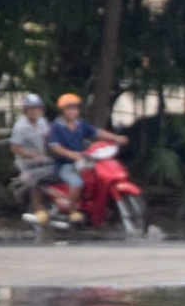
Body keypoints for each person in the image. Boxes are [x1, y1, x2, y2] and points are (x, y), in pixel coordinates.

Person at [45, 93, 125, 225]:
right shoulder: (56, 126)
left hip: (82, 162)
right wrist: (71, 154)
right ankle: (72, 212)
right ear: (63, 110)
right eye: (68, 108)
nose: (72, 111)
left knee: (97, 179)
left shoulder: (80, 124)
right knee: (77, 183)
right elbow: (54, 146)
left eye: (74, 108)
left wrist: (116, 138)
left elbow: (97, 132)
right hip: (65, 165)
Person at [9, 94, 74, 227]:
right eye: (31, 108)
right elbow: (15, 149)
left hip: (42, 159)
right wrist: (31, 155)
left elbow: (49, 137)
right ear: (26, 110)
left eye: (37, 108)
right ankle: (38, 210)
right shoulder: (20, 127)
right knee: (37, 178)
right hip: (26, 162)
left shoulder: (42, 121)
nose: (35, 111)